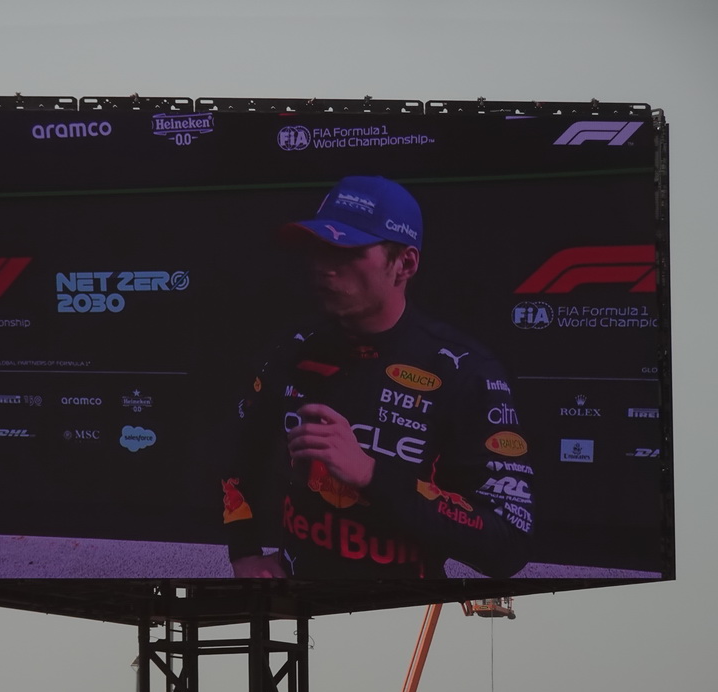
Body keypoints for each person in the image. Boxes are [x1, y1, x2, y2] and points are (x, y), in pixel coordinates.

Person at [222, 176, 534, 579]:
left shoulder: (465, 371)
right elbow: (238, 456)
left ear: (404, 264)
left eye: (347, 250)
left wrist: (371, 474)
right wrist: (243, 551)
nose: (323, 266)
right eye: (318, 248)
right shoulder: (293, 349)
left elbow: (508, 545)